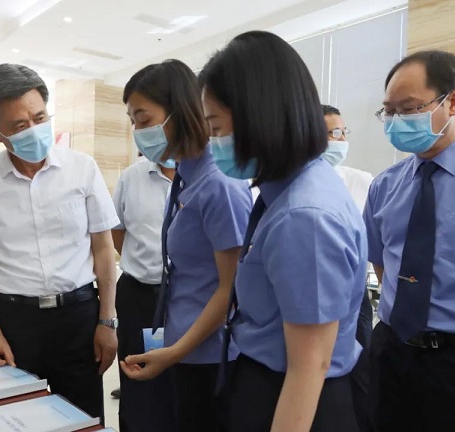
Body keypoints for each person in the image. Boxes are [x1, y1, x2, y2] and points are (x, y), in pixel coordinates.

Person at [200, 31, 367, 431]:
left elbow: (310, 366)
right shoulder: (287, 189)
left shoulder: (304, 216)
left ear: (259, 118)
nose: (213, 142)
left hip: (294, 398)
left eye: (217, 128)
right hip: (269, 381)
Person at [0, 64, 119, 422]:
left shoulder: (82, 168)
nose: (34, 130)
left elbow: (103, 247)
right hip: (15, 323)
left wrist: (107, 321)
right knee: (18, 420)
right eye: (19, 126)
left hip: (78, 318)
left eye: (40, 118)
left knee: (83, 419)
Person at [120, 59, 253, 432]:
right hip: (185, 346)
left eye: (144, 120)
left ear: (180, 112)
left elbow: (232, 288)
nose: (138, 132)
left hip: (210, 354)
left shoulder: (219, 185)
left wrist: (175, 352)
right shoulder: (186, 177)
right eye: (133, 122)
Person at [365, 50, 455, 431]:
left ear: (452, 103)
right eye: (389, 112)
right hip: (391, 351)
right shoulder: (385, 186)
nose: (396, 122)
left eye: (408, 109)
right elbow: (382, 264)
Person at [112, 151, 176, 430]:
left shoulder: (207, 178)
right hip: (138, 295)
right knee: (138, 383)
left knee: (181, 385)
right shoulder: (131, 177)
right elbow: (117, 231)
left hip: (185, 298)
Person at [322, 104, 374, 432]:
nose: (341, 140)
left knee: (360, 377)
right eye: (333, 133)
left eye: (343, 133)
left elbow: (376, 240)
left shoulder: (361, 181)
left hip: (354, 296)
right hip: (315, 296)